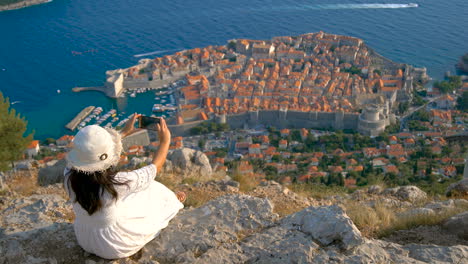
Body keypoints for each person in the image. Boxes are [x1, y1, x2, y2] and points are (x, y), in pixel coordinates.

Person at [64, 114, 184, 259]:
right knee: (152, 188)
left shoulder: (69, 176)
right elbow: (153, 170)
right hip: (113, 246)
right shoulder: (117, 183)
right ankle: (173, 201)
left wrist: (125, 132)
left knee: (131, 196)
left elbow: (93, 155)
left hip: (84, 238)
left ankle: (172, 200)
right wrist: (165, 142)